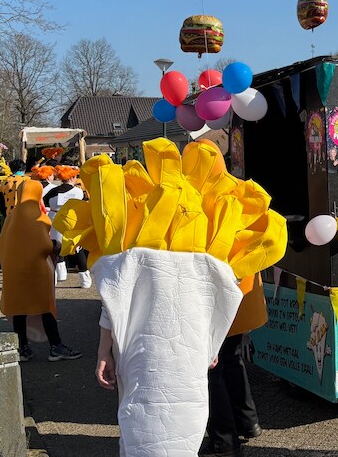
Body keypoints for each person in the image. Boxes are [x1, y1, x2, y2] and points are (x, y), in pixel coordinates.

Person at [59, 139, 287, 456]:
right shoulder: (218, 232)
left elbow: (114, 299)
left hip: (149, 355)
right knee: (179, 422)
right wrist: (211, 341)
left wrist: (103, 349)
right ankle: (235, 431)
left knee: (149, 424)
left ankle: (226, 437)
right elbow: (222, 299)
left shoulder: (133, 237)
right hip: (187, 352)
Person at [0, 178, 80, 362]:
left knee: (20, 309)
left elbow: (1, 243)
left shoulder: (12, 215)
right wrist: (55, 245)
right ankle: (56, 347)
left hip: (14, 271)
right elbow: (42, 245)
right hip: (36, 271)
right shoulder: (36, 215)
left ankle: (22, 348)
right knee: (45, 308)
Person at [203, 274, 268, 457]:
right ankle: (247, 422)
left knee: (211, 370)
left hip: (220, 295)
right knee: (231, 356)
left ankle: (224, 441)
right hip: (242, 292)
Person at [44, 165, 90, 288]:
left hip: (55, 219)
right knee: (77, 248)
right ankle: (85, 280)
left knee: (56, 248)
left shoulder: (53, 191)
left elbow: (44, 201)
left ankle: (58, 276)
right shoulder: (79, 192)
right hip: (73, 221)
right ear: (72, 177)